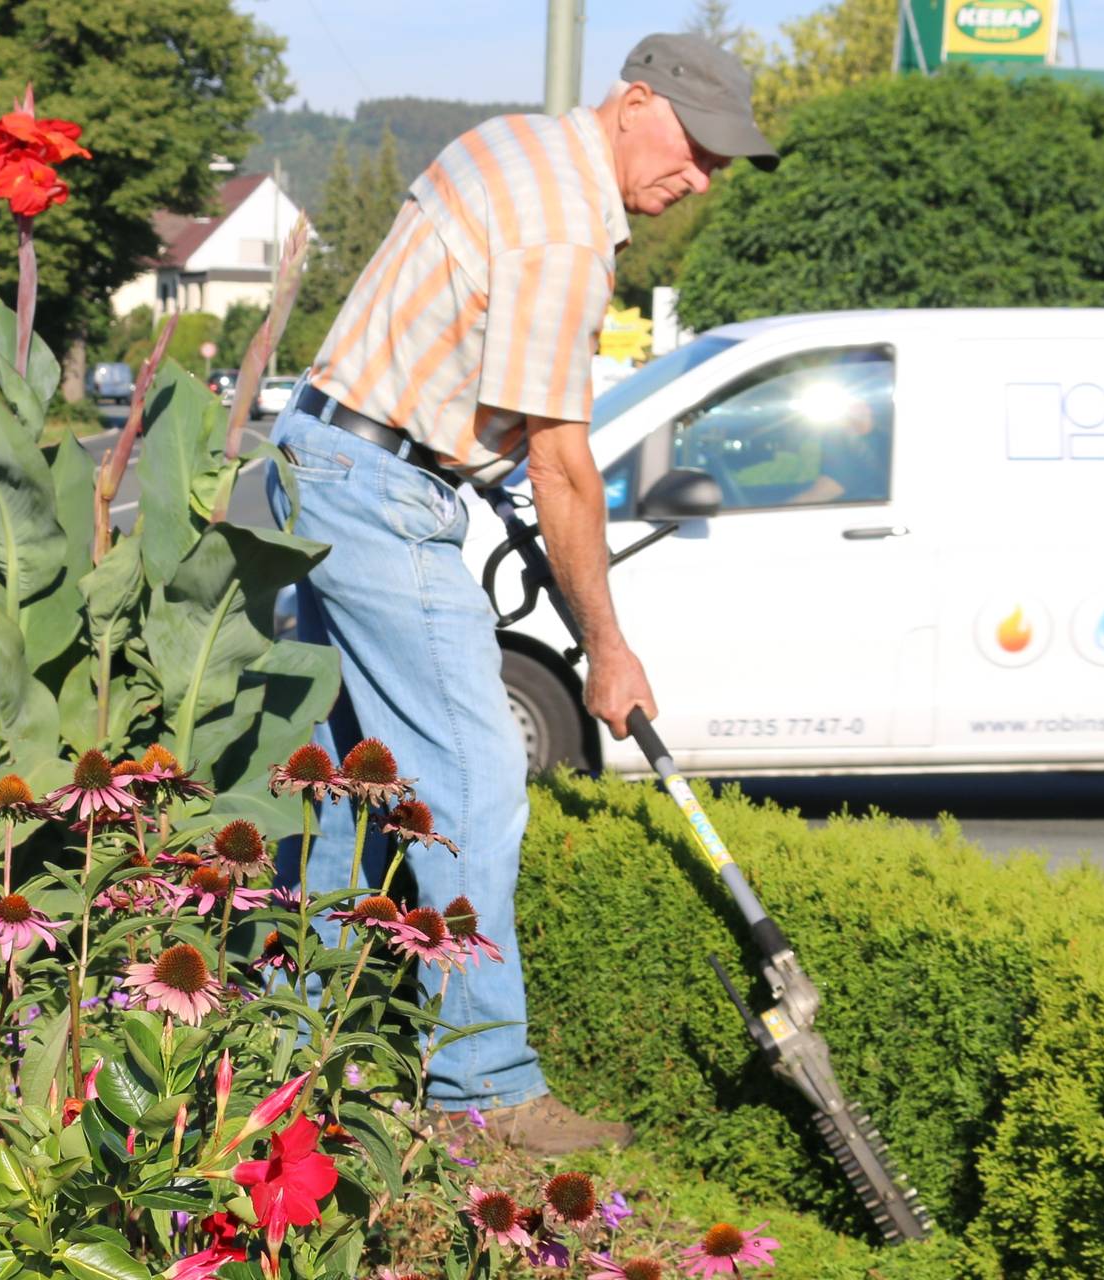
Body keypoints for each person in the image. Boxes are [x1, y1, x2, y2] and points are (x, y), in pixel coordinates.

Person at [264, 33, 777, 1156]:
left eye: (718, 165)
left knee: (354, 791)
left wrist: (468, 467)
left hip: (327, 460)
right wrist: (607, 646)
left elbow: (459, 360)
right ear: (633, 99)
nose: (698, 178)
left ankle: (297, 1058)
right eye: (694, 148)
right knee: (475, 771)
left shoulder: (515, 147)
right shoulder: (566, 229)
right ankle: (482, 1091)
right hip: (379, 491)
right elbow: (562, 465)